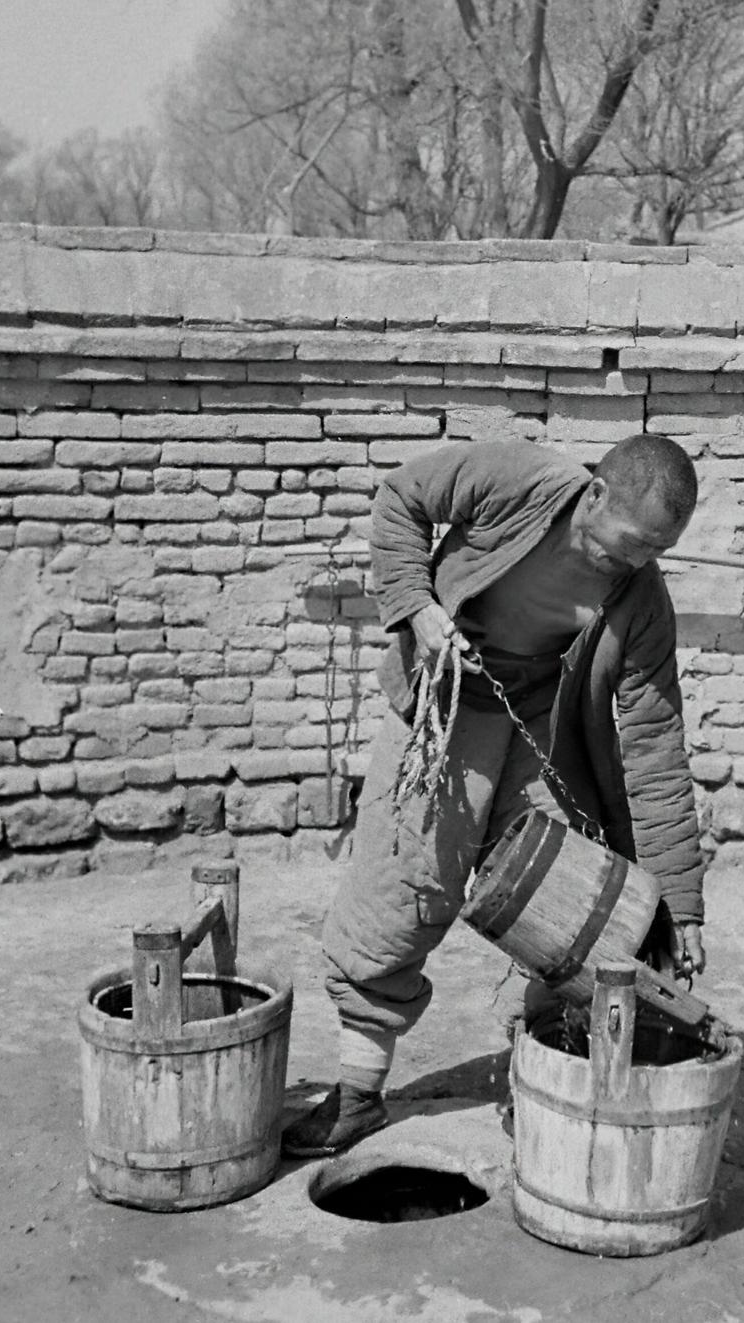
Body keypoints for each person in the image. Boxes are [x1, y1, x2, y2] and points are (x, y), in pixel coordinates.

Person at [282, 433, 707, 1157]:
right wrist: (416, 605)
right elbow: (400, 499)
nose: (637, 564)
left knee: (568, 901)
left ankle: (540, 1076)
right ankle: (357, 1096)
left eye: (655, 552)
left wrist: (683, 906)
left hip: (544, 726)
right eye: (631, 543)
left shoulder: (642, 596)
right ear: (595, 494)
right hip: (448, 708)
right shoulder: (516, 477)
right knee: (401, 885)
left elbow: (655, 748)